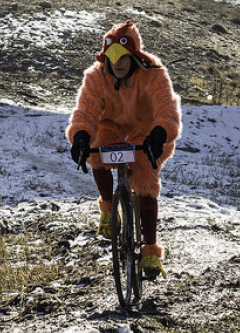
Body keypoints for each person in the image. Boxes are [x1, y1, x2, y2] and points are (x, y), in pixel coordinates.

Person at [66, 21, 182, 279]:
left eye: (123, 59)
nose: (117, 65)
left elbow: (167, 110)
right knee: (95, 149)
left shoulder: (154, 73)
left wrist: (160, 132)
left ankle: (150, 251)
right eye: (111, 59)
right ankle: (108, 209)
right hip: (111, 128)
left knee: (145, 180)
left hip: (146, 132)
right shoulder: (96, 77)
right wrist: (81, 136)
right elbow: (86, 110)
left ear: (134, 57)